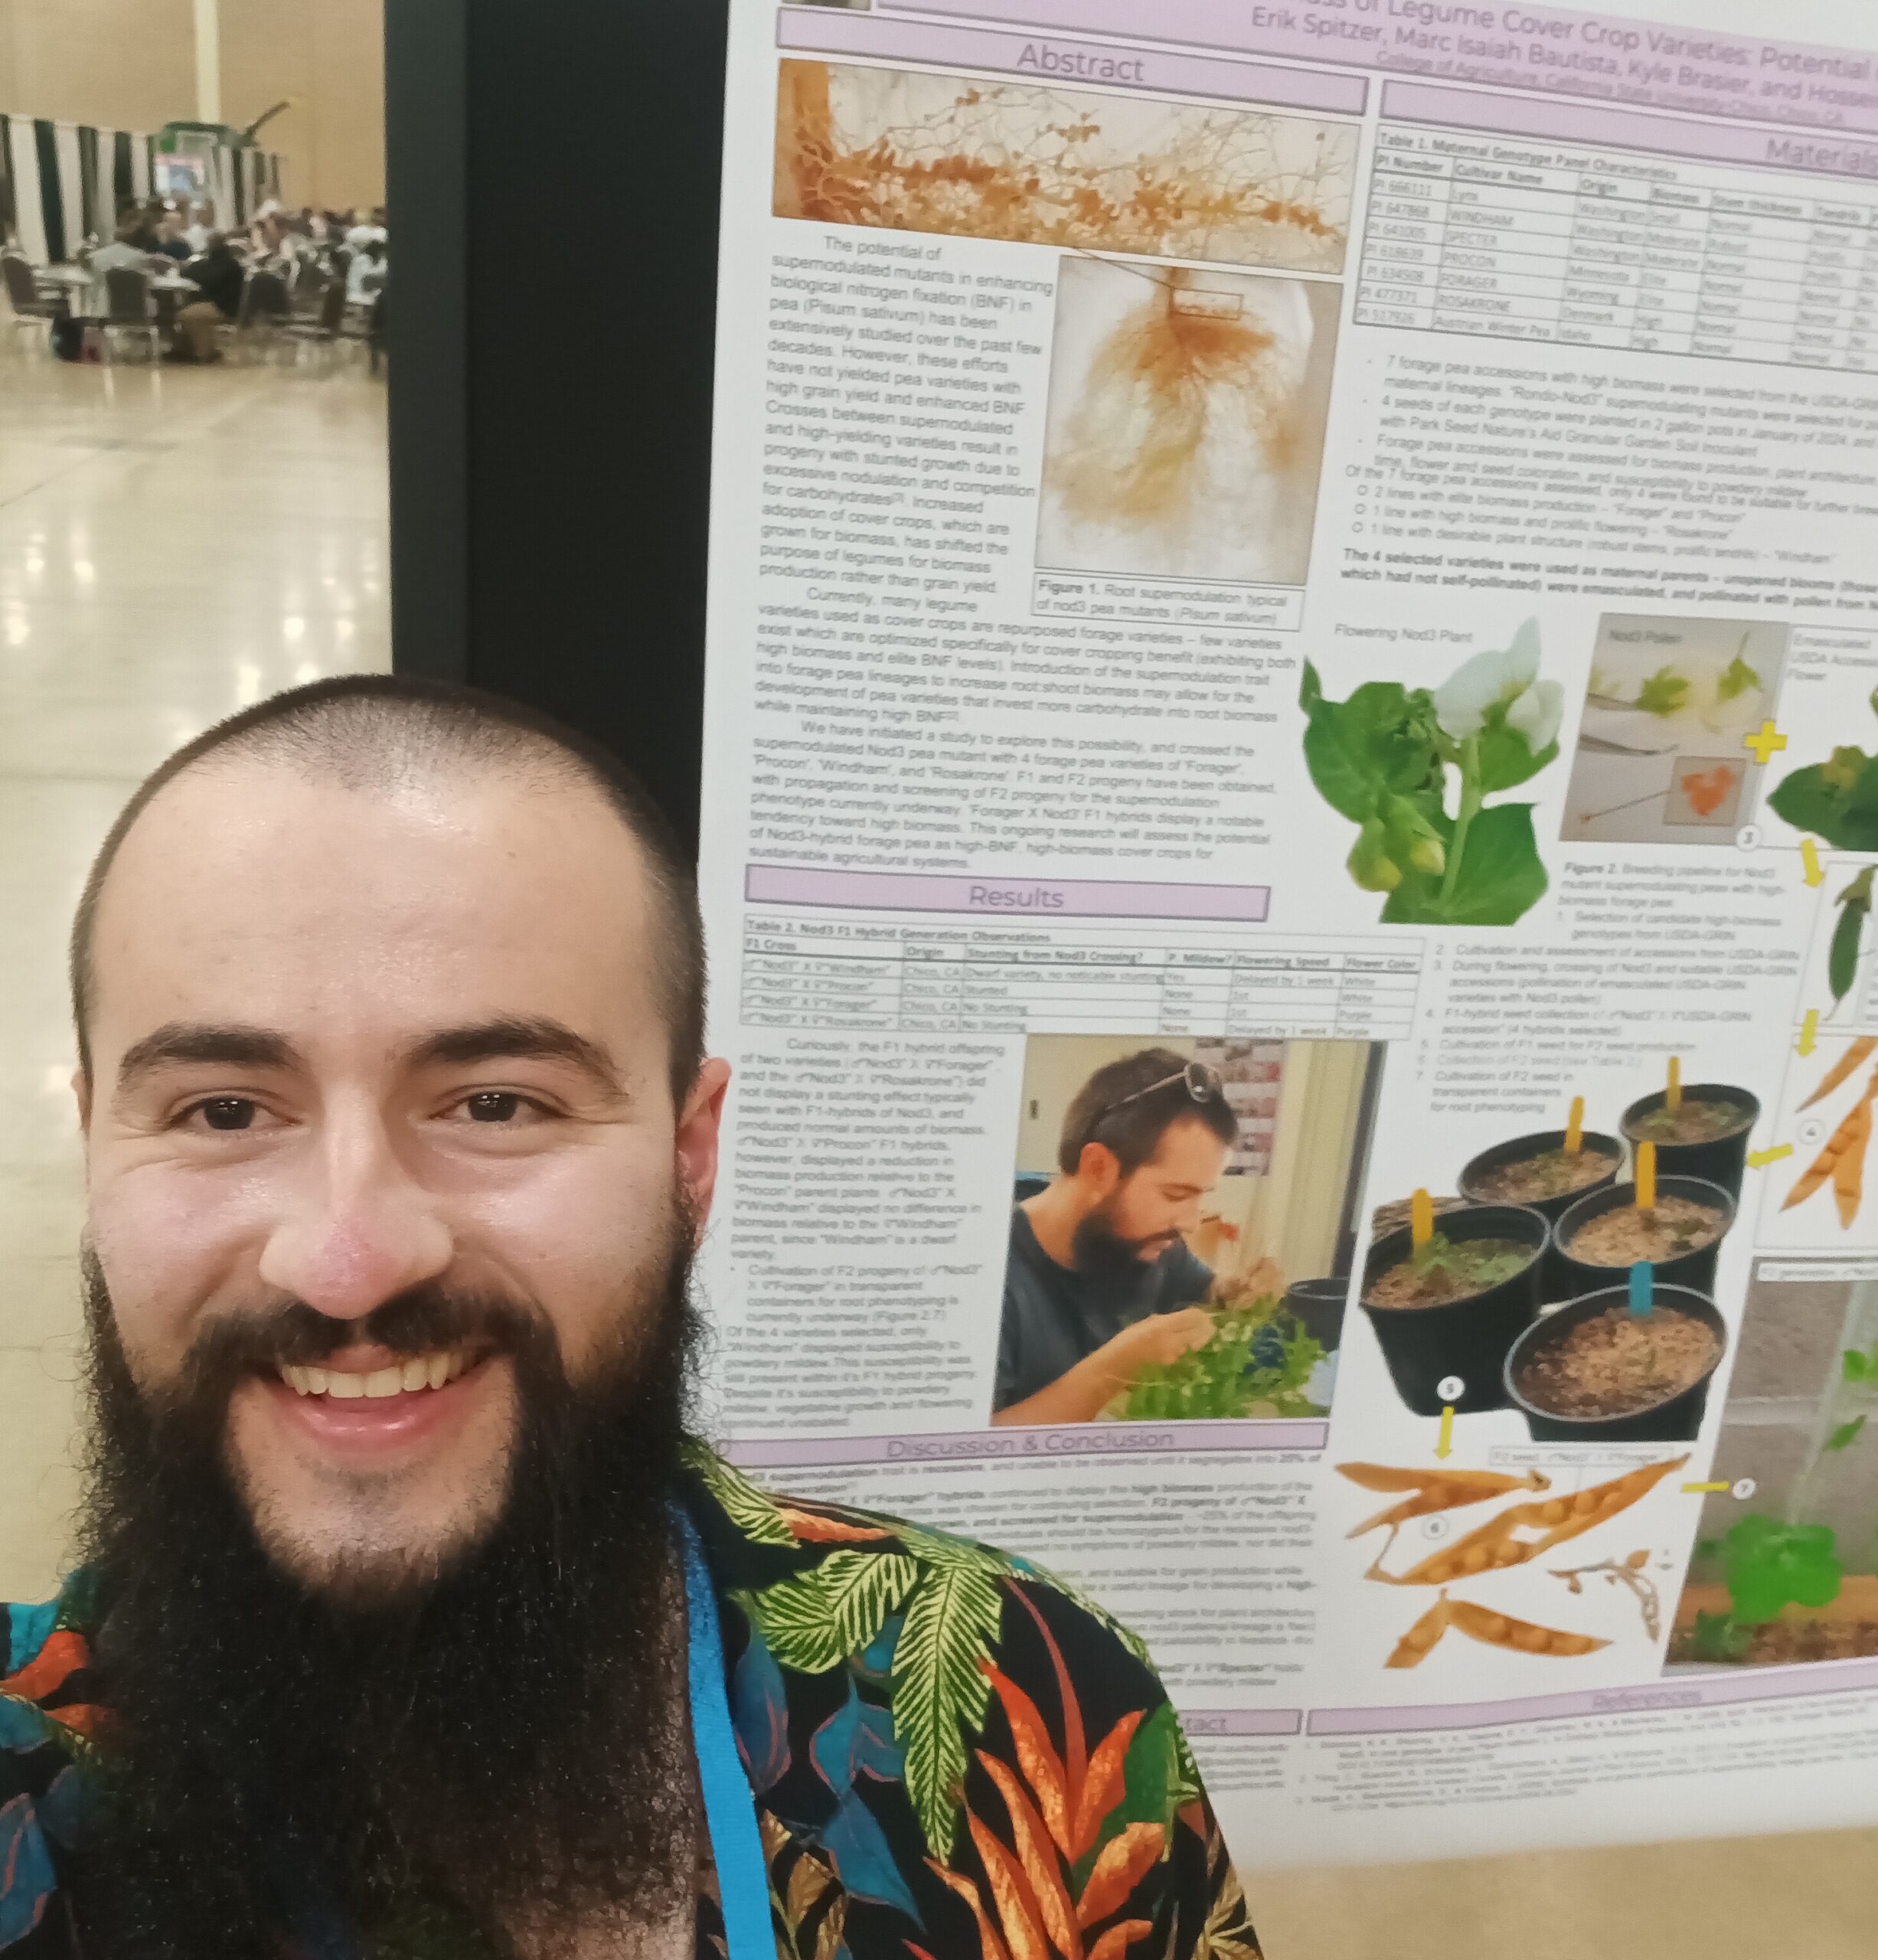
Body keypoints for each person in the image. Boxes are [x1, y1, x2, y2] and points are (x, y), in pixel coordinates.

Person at [0, 678, 1260, 1959]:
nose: (348, 1262)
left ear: (688, 1160)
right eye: (222, 1111)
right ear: (97, 1145)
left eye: (496, 1104)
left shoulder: (1035, 1704)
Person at [993, 1049, 1274, 1426]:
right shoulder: (992, 1277)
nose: (1192, 1223)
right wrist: (1112, 1371)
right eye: (1176, 1195)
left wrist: (1233, 1292)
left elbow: (1206, 1292)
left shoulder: (1153, 1245)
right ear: (1098, 1168)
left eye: (1202, 1195)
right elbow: (969, 1445)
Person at [171, 237, 243, 362]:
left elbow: (210, 278)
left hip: (225, 308)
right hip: (217, 304)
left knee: (189, 315)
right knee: (187, 313)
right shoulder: (220, 263)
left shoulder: (228, 264)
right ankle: (188, 350)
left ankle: (203, 354)